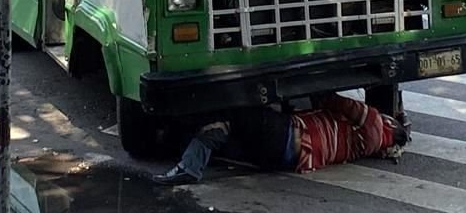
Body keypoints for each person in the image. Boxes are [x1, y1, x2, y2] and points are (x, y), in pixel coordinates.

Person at [153, 92, 410, 185]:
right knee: (228, 134)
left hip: (287, 135)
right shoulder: (366, 145)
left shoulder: (375, 125)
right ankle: (186, 154)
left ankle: (190, 166)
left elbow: (334, 100)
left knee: (232, 112)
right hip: (286, 157)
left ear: (391, 126)